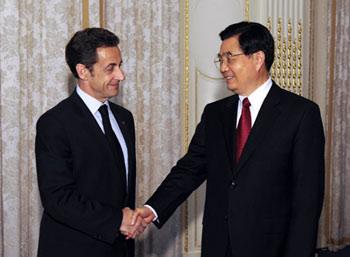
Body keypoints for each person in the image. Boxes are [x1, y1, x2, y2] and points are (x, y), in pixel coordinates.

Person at [132, 21, 325, 257]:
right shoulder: (215, 114)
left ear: (257, 59)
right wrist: (153, 208)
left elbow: (308, 199)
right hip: (219, 243)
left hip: (270, 247)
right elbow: (190, 168)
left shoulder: (300, 114)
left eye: (229, 58)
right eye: (220, 59)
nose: (223, 67)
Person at [35, 28, 145, 257]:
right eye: (110, 68)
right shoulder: (54, 123)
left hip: (119, 249)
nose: (121, 75)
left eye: (120, 65)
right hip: (74, 249)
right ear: (83, 71)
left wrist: (129, 223)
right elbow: (58, 199)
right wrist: (118, 220)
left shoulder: (125, 118)